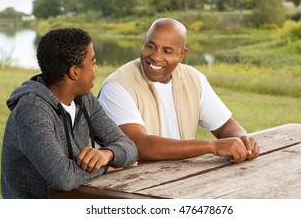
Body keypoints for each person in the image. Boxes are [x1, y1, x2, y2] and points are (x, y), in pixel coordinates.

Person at [1, 28, 137, 199]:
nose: (96, 69)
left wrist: (107, 154)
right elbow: (64, 178)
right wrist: (109, 168)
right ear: (74, 72)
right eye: (93, 63)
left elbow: (129, 146)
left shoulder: (85, 100)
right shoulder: (31, 111)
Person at [98, 18, 259, 162]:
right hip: (126, 187)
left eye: (167, 51)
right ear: (144, 42)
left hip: (178, 181)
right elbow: (139, 146)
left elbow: (225, 126)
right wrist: (212, 146)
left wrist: (243, 141)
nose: (155, 56)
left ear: (182, 54)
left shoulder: (193, 79)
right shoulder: (117, 86)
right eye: (150, 46)